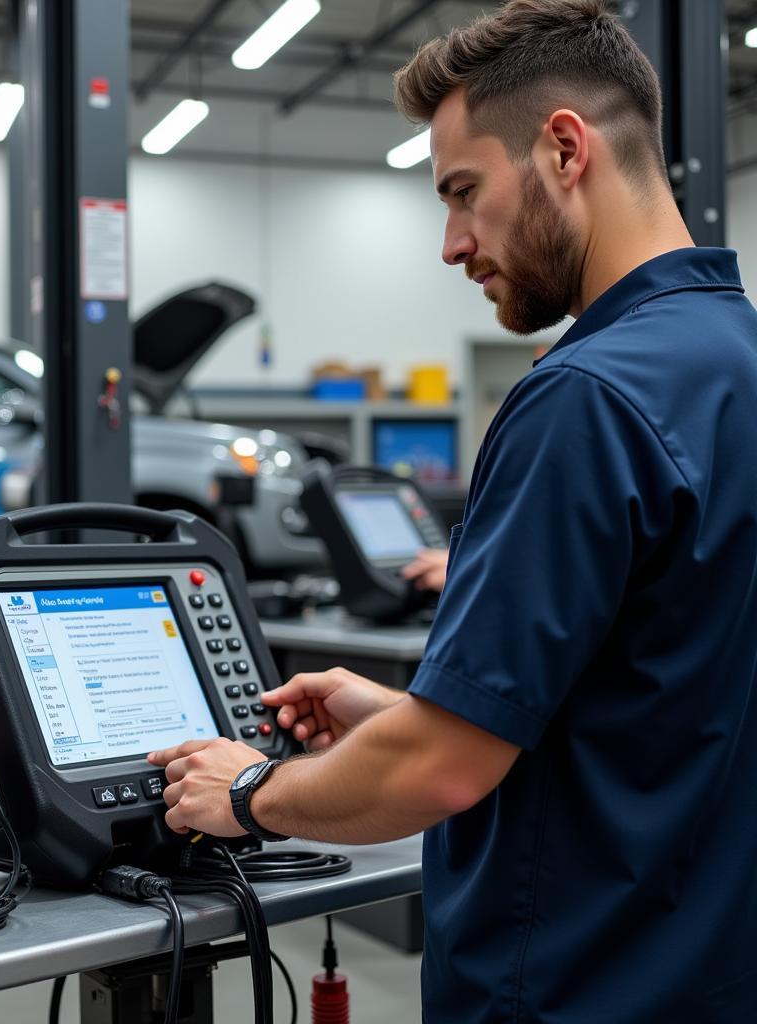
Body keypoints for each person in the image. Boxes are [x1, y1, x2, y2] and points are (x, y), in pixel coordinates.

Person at [149, 1, 757, 1019]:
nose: (449, 242)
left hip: (573, 982)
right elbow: (656, 708)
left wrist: (250, 793)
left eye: (462, 192)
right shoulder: (732, 359)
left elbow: (439, 772)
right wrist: (401, 713)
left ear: (564, 149)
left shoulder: (586, 398)